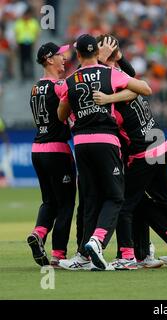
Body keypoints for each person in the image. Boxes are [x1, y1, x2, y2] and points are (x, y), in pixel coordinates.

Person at [92, 35, 167, 269]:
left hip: (144, 153)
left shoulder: (113, 83)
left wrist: (103, 64)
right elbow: (135, 84)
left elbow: (100, 86)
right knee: (161, 199)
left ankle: (127, 256)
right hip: (160, 145)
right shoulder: (125, 78)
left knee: (124, 204)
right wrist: (116, 58)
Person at [57, 34, 152, 270]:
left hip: (81, 143)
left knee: (90, 199)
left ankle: (82, 256)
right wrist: (111, 97)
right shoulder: (110, 73)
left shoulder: (70, 79)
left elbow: (61, 115)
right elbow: (144, 89)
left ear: (78, 54)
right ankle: (97, 240)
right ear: (97, 53)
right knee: (115, 196)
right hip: (106, 141)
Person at [26, 42, 76, 268]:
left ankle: (39, 233)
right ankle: (58, 254)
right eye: (60, 55)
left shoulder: (35, 87)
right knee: (65, 204)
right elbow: (70, 115)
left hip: (37, 149)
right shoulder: (60, 86)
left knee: (49, 200)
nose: (64, 58)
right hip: (57, 150)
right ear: (48, 59)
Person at [14, 6, 40, 80]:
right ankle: (23, 75)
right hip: (21, 43)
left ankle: (31, 74)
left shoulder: (33, 22)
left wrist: (35, 42)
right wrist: (17, 43)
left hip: (30, 43)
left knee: (30, 59)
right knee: (22, 60)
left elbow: (37, 33)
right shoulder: (19, 22)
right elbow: (16, 33)